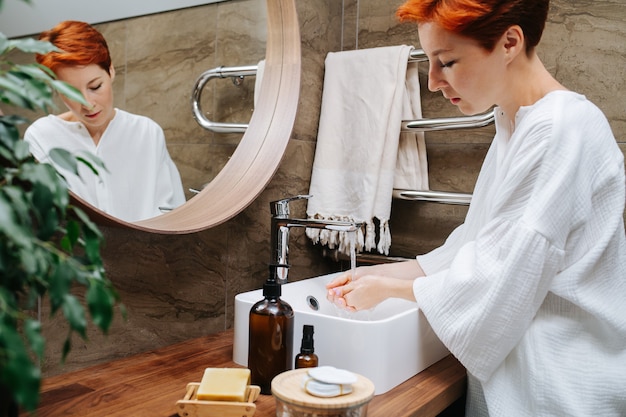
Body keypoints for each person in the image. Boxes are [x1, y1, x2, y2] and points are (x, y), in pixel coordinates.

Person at [326, 0, 626, 415]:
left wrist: (391, 289)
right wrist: (374, 275)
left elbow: (504, 279)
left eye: (446, 62)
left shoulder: (560, 130)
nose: (432, 82)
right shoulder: (516, 125)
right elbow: (477, 247)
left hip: (559, 392)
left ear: (509, 42)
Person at [24, 20, 185, 222]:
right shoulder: (42, 136)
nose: (87, 104)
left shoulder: (146, 132)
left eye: (95, 87)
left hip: (144, 252)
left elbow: (174, 212)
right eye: (71, 92)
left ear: (110, 71)